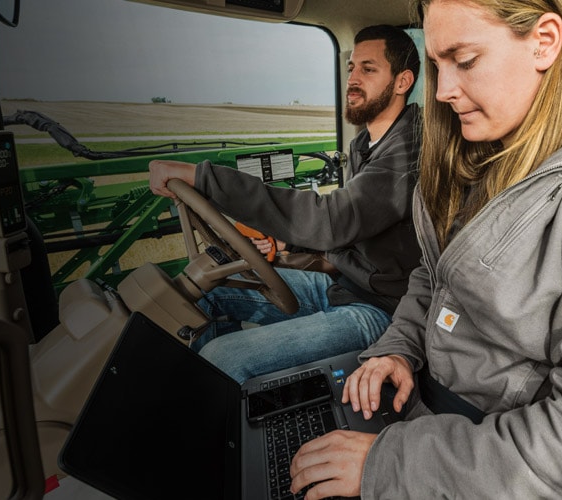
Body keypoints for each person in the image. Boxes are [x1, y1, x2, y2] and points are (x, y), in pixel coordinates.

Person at [286, 0, 562, 498]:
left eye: (464, 61)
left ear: (545, 42)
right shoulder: (486, 155)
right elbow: (434, 275)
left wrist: (392, 466)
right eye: (437, 65)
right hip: (425, 422)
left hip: (498, 469)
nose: (442, 92)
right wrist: (400, 349)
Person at [147, 25, 424, 383]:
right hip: (340, 287)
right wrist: (287, 243)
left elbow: (333, 220)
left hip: (383, 312)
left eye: (368, 69)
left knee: (223, 357)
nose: (353, 79)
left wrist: (204, 179)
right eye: (351, 67)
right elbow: (353, 226)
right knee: (211, 294)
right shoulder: (364, 146)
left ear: (402, 82)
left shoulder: (409, 150)